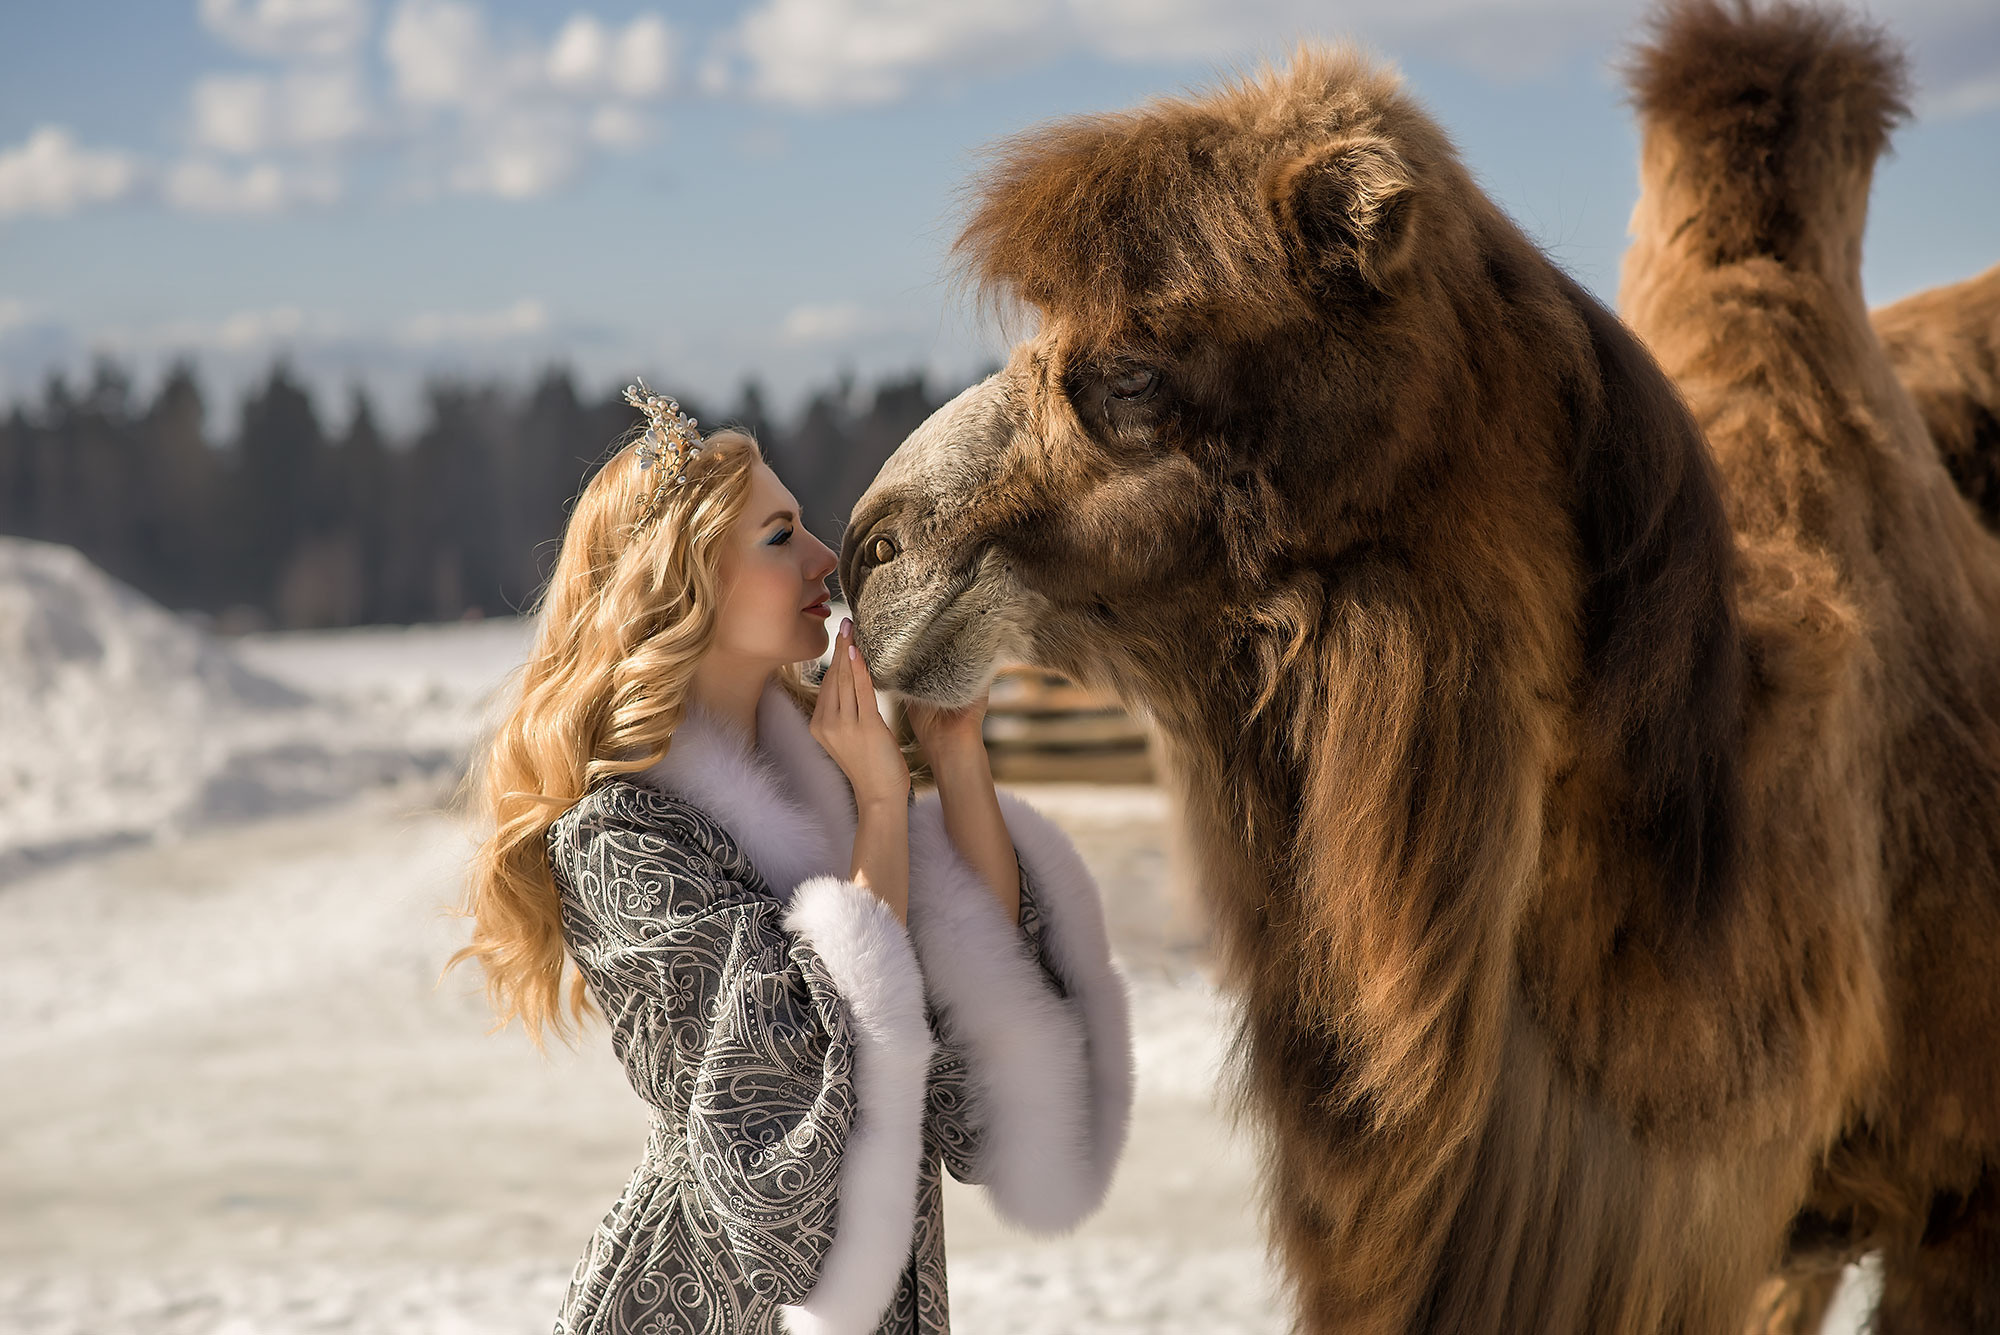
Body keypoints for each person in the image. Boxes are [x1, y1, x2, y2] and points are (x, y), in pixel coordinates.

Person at [453, 384, 1135, 1335]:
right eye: (779, 537)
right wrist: (885, 810)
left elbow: (977, 1046)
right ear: (684, 581)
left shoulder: (830, 776)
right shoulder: (622, 839)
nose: (826, 557)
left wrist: (954, 754)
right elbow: (785, 1136)